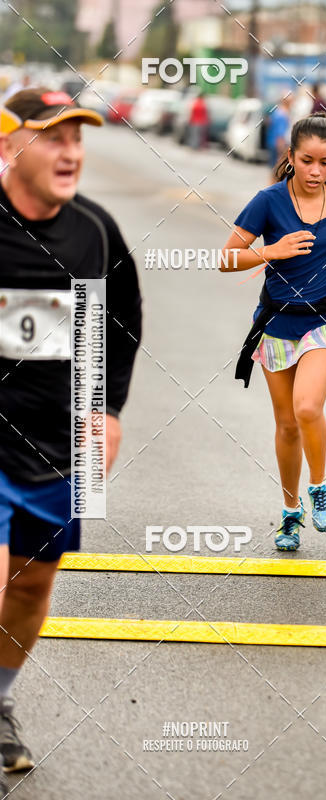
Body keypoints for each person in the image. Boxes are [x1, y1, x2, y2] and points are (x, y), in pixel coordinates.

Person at [0, 88, 142, 789]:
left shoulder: (95, 231)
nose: (71, 151)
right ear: (9, 146)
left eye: (78, 137)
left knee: (31, 589)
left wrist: (109, 412)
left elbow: (123, 323)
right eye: (53, 137)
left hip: (56, 445)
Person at [220, 113, 326, 551]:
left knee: (308, 407)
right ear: (291, 157)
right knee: (286, 425)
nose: (315, 171)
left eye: (325, 163)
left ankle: (319, 486)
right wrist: (271, 251)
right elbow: (226, 258)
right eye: (307, 160)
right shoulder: (268, 201)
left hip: (324, 319)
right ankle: (291, 513)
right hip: (276, 324)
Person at [267, 94, 293, 179]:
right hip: (278, 144)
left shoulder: (277, 112)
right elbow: (280, 134)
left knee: (274, 169)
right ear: (287, 102)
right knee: (278, 170)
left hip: (272, 142)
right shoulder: (283, 115)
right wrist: (281, 149)